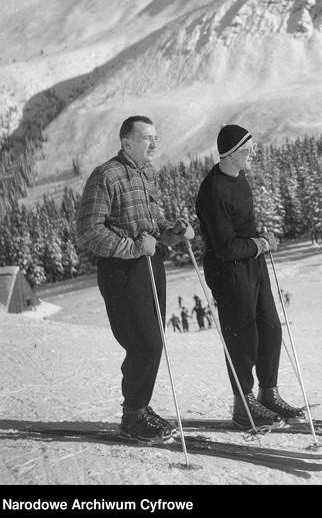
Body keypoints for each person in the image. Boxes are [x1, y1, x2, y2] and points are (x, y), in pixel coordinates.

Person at [76, 115, 188, 444]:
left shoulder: (145, 172)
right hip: (121, 270)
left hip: (150, 265)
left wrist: (171, 230)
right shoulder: (105, 175)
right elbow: (88, 231)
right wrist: (134, 246)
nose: (154, 143)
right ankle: (132, 417)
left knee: (154, 341)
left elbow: (152, 219)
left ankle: (140, 408)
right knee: (145, 343)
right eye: (146, 138)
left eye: (155, 137)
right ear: (127, 143)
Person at [195, 124, 304, 430]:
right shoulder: (213, 189)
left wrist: (261, 238)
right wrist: (261, 244)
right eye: (247, 150)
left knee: (270, 328)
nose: (252, 154)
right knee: (243, 337)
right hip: (228, 270)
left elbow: (243, 229)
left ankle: (268, 394)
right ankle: (244, 404)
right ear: (229, 154)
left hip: (252, 264)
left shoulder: (239, 177)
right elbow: (226, 246)